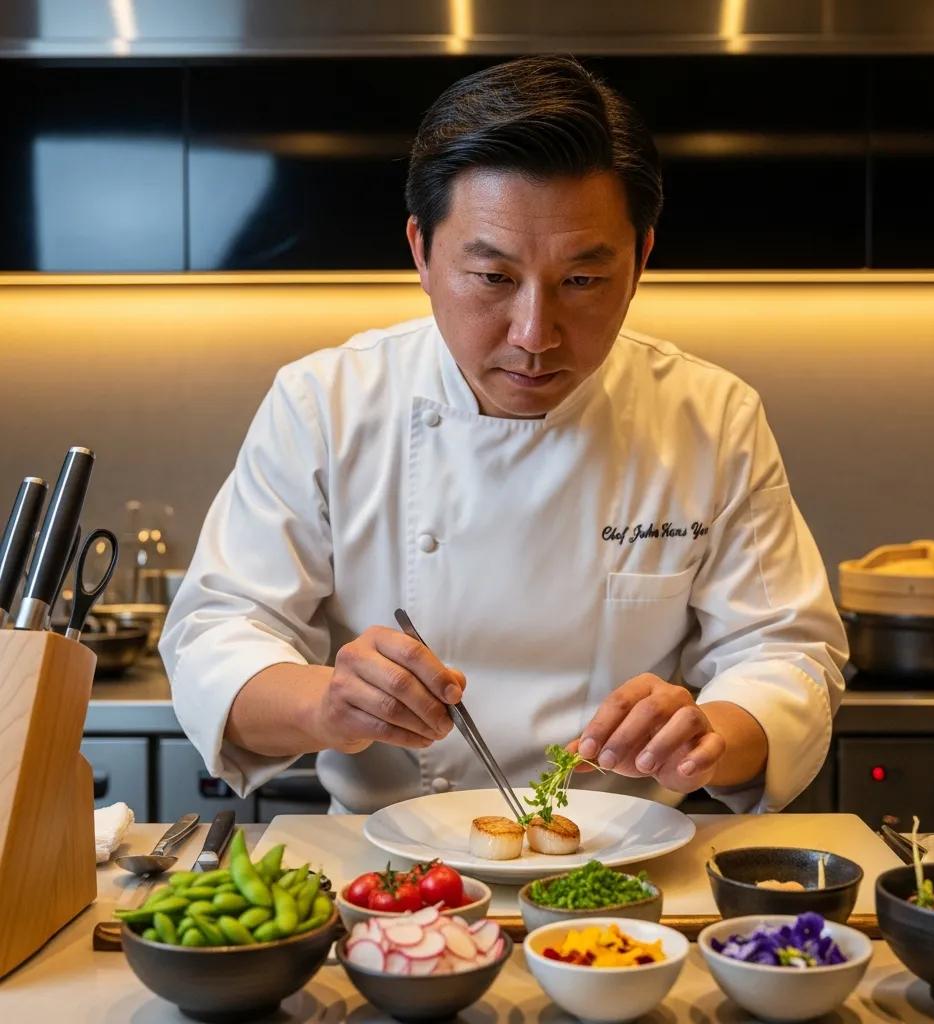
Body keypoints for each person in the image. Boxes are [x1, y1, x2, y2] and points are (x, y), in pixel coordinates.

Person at [160, 55, 847, 817]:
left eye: (582, 281)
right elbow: (219, 634)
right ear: (421, 251)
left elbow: (786, 653)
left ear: (642, 259)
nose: (534, 335)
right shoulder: (325, 403)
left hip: (630, 877)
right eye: (492, 278)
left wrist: (711, 732)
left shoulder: (710, 416)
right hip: (392, 878)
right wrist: (329, 702)